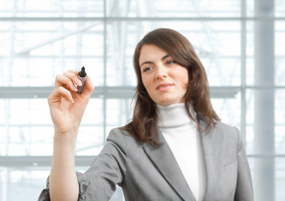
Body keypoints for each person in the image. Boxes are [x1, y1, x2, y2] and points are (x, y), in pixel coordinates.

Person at [38, 28, 254, 201]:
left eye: (170, 61)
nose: (160, 73)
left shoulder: (229, 138)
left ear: (191, 69)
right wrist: (65, 133)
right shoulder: (126, 142)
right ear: (142, 82)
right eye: (148, 68)